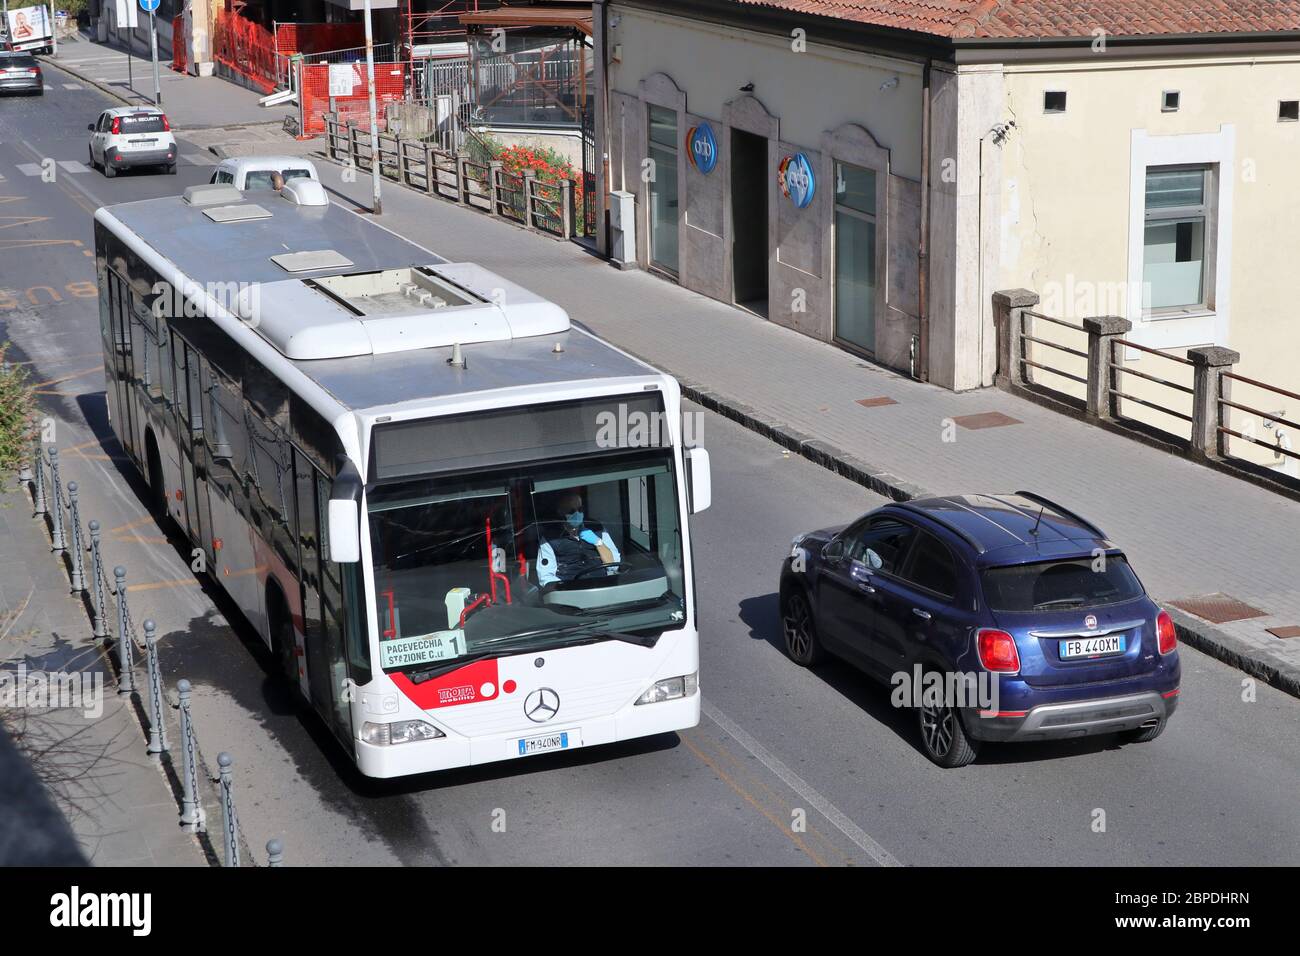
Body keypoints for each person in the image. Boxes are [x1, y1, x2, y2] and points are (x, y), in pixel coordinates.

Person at [535, 490, 620, 586]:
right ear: (561, 512)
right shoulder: (550, 539)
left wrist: (598, 542)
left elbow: (614, 565)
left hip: (601, 586)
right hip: (571, 591)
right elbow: (546, 577)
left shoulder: (597, 528)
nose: (577, 514)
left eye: (580, 509)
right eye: (571, 511)